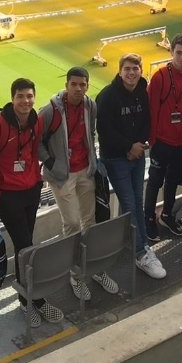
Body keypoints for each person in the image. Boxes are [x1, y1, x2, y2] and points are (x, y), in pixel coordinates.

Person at [38, 67, 119, 301]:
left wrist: (92, 165)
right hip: (63, 176)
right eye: (74, 84)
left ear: (87, 86)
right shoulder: (50, 111)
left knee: (90, 222)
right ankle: (74, 273)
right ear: (66, 85)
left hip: (85, 171)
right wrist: (52, 162)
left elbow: (90, 133)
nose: (78, 88)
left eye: (82, 85)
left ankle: (93, 268)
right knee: (72, 224)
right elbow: (37, 142)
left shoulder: (89, 106)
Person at [0, 78, 64, 328]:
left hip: (30, 190)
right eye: (21, 96)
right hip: (7, 195)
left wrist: (37, 179)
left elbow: (35, 150)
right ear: (12, 98)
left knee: (25, 245)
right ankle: (32, 300)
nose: (26, 101)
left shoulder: (36, 121)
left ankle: (28, 295)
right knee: (25, 247)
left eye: (30, 96)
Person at [96, 53, 167, 279]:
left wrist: (139, 144)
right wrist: (129, 146)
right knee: (129, 204)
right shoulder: (106, 97)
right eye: (127, 68)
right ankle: (140, 252)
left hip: (136, 157)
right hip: (116, 159)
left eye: (135, 68)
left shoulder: (142, 94)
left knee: (137, 200)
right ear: (119, 71)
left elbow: (147, 121)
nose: (131, 72)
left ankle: (139, 244)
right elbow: (105, 132)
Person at [144, 33, 182, 241]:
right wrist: (153, 140)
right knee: (155, 181)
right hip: (163, 142)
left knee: (173, 180)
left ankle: (166, 214)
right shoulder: (159, 76)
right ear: (171, 52)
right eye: (179, 53)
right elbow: (152, 110)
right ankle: (149, 218)